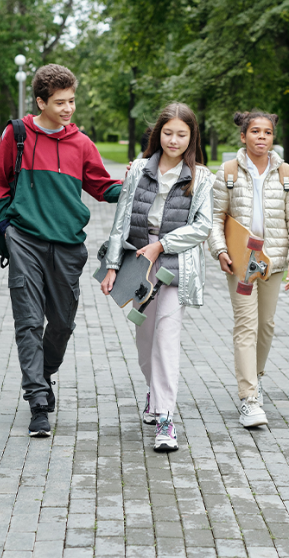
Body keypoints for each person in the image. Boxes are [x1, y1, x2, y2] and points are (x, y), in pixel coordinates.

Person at [0, 64, 123, 438]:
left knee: (62, 323)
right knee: (29, 320)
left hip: (67, 245)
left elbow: (101, 185)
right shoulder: (16, 136)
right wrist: (4, 229)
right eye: (60, 102)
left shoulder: (81, 144)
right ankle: (37, 401)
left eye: (72, 101)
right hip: (24, 240)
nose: (67, 109)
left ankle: (43, 375)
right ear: (40, 101)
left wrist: (138, 183)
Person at [100, 102, 214, 452]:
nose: (174, 140)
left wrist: (163, 244)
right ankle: (154, 391)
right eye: (168, 133)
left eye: (182, 134)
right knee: (145, 340)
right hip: (139, 260)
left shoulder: (202, 177)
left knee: (166, 338)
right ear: (157, 134)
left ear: (192, 137)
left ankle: (166, 417)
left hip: (174, 263)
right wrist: (113, 265)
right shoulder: (138, 170)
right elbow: (121, 219)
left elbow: (203, 227)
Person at [208, 110, 289, 428]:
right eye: (255, 131)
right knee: (246, 325)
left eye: (267, 132)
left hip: (274, 262)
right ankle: (249, 398)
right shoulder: (227, 173)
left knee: (266, 325)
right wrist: (220, 250)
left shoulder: (287, 175)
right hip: (240, 262)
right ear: (243, 136)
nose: (261, 137)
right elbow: (213, 218)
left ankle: (256, 376)